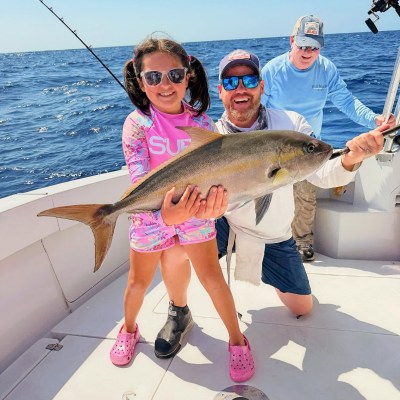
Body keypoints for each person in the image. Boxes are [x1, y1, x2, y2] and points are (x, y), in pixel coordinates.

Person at [110, 35, 254, 383]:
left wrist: (210, 209)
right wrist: (164, 216)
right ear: (140, 81)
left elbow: (218, 180)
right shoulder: (136, 124)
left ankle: (237, 339)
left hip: (195, 215)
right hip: (149, 215)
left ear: (188, 76)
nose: (165, 85)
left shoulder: (203, 123)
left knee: (211, 277)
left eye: (174, 75)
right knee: (138, 282)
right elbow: (139, 181)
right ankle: (129, 329)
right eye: (153, 77)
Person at [215, 48, 387, 317]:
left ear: (261, 86)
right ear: (220, 91)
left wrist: (353, 158)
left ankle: (267, 267)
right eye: (230, 82)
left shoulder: (291, 124)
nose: (240, 89)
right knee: (180, 242)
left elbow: (322, 172)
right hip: (225, 222)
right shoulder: (212, 136)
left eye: (249, 81)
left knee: (303, 308)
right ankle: (179, 306)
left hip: (273, 235)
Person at [260, 15, 396, 262]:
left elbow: (346, 101)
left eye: (313, 46)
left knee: (305, 192)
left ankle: (301, 242)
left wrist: (373, 120)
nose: (307, 51)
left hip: (308, 147)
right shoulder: (271, 70)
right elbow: (258, 111)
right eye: (302, 45)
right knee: (268, 195)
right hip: (274, 147)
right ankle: (266, 241)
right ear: (292, 41)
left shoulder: (326, 68)